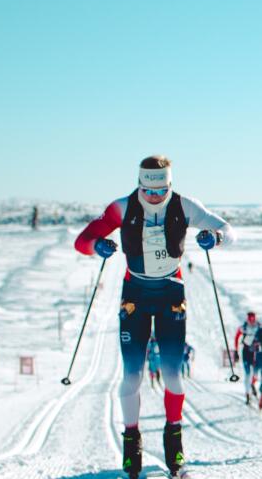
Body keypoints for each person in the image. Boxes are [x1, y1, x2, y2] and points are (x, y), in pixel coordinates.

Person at [74, 154, 237, 479]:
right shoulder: (122, 207)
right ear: (139, 185)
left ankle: (174, 450)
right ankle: (131, 450)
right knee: (132, 376)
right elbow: (82, 241)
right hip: (135, 295)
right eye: (148, 192)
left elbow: (229, 230)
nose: (153, 197)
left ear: (169, 184)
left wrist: (214, 238)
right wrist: (98, 247)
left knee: (173, 375)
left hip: (170, 294)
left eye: (160, 191)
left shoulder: (184, 206)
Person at [234, 311, 261, 403]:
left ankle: (252, 384)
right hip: (246, 352)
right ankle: (247, 394)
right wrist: (236, 351)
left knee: (256, 373)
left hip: (256, 352)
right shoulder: (244, 327)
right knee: (247, 373)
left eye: (253, 318)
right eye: (250, 319)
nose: (251, 321)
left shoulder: (259, 326)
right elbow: (237, 337)